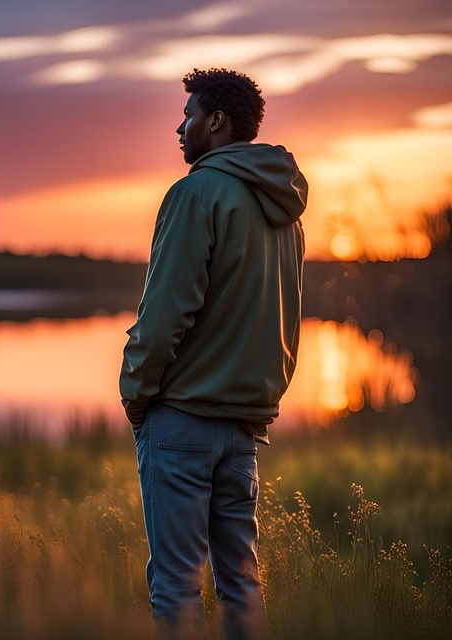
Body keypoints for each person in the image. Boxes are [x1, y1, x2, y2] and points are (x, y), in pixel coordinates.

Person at [119, 68, 308, 639]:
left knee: (175, 587)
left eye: (188, 116)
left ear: (216, 121)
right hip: (244, 425)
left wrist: (136, 393)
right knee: (241, 584)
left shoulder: (195, 193)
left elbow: (164, 315)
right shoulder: (284, 210)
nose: (180, 128)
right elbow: (286, 320)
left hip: (183, 420)